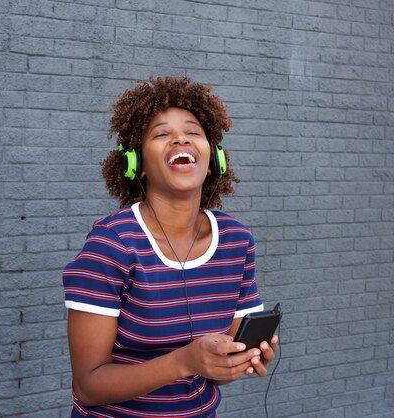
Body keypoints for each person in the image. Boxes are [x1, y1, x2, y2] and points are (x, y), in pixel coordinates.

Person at [62, 76, 278, 417]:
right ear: (137, 164)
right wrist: (183, 360)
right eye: (162, 133)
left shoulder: (237, 240)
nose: (181, 138)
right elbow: (89, 387)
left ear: (215, 158)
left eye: (193, 132)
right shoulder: (111, 244)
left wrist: (240, 359)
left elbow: (218, 360)